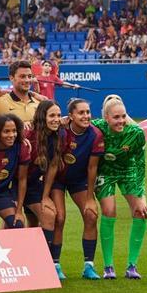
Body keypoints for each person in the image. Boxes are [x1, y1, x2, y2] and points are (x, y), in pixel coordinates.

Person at [92, 95, 147, 280]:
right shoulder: (96, 127)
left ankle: (132, 266)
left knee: (141, 212)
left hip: (128, 170)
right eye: (116, 117)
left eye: (123, 116)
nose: (121, 121)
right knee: (109, 211)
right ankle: (108, 267)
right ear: (106, 118)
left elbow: (140, 164)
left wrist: (140, 195)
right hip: (105, 172)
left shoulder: (136, 133)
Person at [53, 98, 105, 279]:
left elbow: (92, 168)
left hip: (79, 181)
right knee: (59, 218)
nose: (86, 116)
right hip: (57, 180)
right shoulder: (60, 130)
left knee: (91, 214)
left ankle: (88, 266)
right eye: (81, 113)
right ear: (71, 116)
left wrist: (90, 198)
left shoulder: (95, 135)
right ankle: (55, 265)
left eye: (88, 112)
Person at [25, 99, 64, 278]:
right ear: (42, 117)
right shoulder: (29, 136)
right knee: (13, 225)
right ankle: (41, 265)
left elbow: (53, 167)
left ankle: (49, 265)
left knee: (49, 215)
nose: (56, 119)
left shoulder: (57, 136)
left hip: (36, 186)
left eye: (58, 115)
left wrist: (45, 195)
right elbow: (20, 171)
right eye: (52, 116)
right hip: (19, 186)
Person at [0, 59, 43, 125]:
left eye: (29, 76)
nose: (27, 80)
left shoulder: (39, 104)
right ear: (11, 78)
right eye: (22, 76)